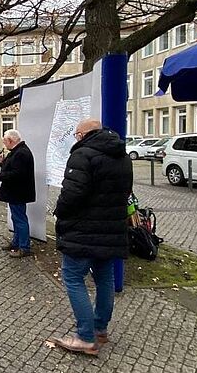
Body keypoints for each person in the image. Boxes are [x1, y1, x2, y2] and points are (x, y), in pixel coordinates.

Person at [48, 119, 133, 356]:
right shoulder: (123, 157)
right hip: (111, 229)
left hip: (83, 230)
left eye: (76, 134)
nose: (76, 139)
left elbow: (72, 194)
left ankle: (85, 337)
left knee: (73, 277)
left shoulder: (83, 155)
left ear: (83, 134)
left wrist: (59, 211)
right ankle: (100, 329)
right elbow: (126, 192)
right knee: (105, 278)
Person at [0, 129, 37, 258]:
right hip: (15, 192)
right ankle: (16, 242)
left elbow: (17, 174)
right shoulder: (16, 152)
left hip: (18, 192)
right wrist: (1, 163)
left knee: (20, 219)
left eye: (4, 141)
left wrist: (0, 175)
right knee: (16, 218)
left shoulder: (21, 153)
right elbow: (12, 168)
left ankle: (24, 247)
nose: (4, 144)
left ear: (11, 140)